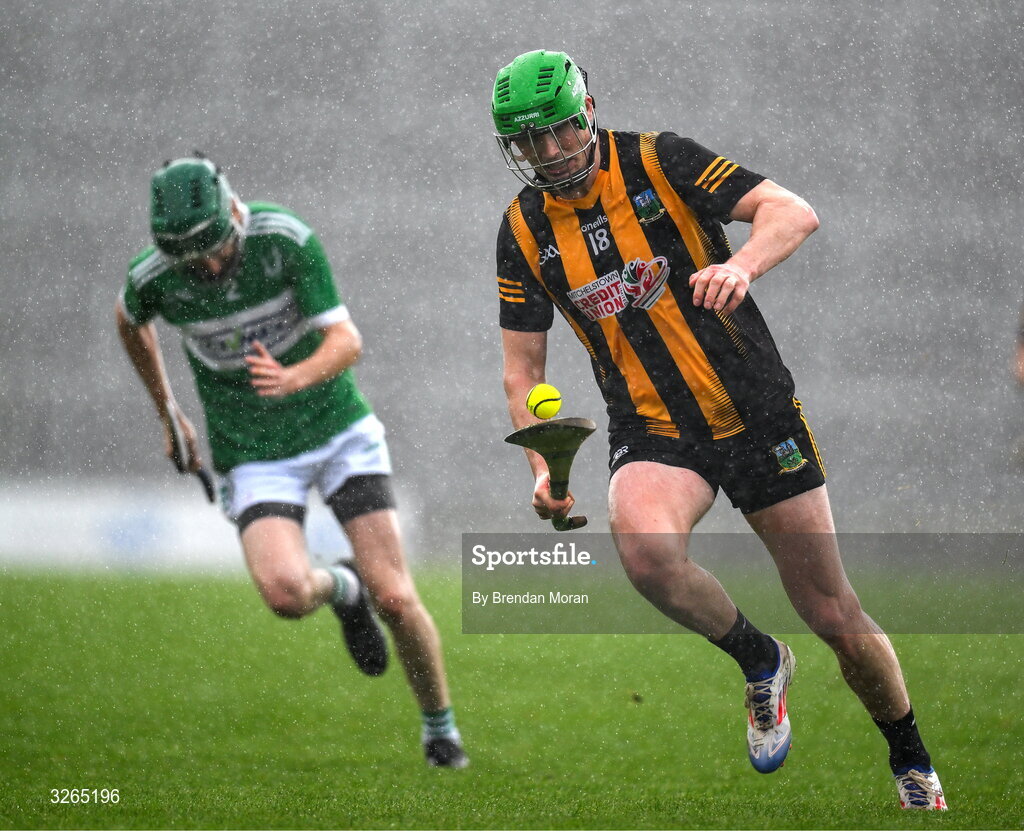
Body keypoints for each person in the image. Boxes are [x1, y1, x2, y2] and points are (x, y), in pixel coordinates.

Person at [490, 50, 944, 808]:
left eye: (558, 133)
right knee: (645, 553)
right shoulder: (522, 230)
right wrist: (541, 462)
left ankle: (912, 757)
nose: (547, 154)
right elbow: (521, 370)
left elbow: (790, 212)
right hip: (654, 427)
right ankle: (760, 658)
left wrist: (745, 267)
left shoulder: (660, 160)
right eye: (528, 142)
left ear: (589, 111)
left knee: (832, 611)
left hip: (754, 408)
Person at [116, 154, 467, 768]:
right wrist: (167, 408)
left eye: (216, 248)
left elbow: (347, 340)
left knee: (396, 597)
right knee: (284, 593)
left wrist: (294, 376)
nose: (209, 266)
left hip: (337, 431)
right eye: (191, 257)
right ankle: (342, 587)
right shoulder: (154, 278)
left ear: (233, 211)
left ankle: (441, 731)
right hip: (252, 451)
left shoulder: (284, 239)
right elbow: (128, 319)